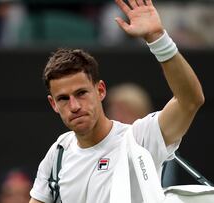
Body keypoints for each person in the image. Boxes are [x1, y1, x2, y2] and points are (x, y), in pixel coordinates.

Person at [29, 0, 204, 202]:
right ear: (53, 105)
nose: (74, 106)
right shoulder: (58, 153)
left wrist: (158, 39)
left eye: (81, 93)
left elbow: (190, 100)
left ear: (100, 90)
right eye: (63, 99)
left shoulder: (139, 139)